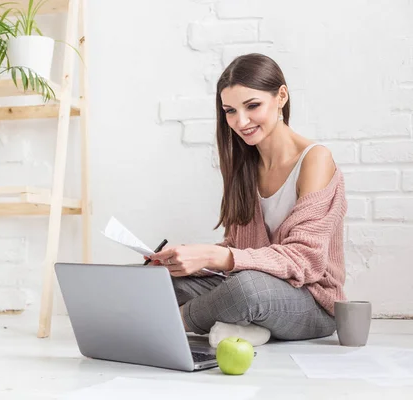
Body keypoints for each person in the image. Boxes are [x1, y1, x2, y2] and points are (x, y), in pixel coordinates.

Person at [147, 53, 347, 347]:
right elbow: (238, 250)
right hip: (253, 285)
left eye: (252, 106)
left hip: (311, 302)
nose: (241, 121)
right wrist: (185, 260)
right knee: (158, 282)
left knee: (246, 289)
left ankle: (175, 322)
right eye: (230, 111)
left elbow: (307, 260)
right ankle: (239, 323)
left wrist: (218, 258)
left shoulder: (315, 160)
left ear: (281, 96)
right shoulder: (245, 166)